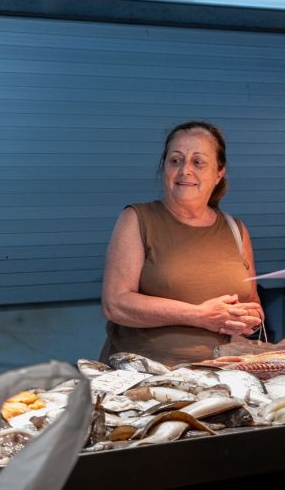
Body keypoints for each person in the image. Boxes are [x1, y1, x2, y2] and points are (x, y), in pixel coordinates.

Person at [100, 121, 264, 366]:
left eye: (198, 162)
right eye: (176, 160)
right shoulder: (137, 219)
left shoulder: (235, 230)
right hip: (145, 376)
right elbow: (116, 304)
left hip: (222, 376)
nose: (185, 170)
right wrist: (199, 315)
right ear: (164, 168)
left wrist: (251, 317)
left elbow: (252, 301)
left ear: (219, 173)